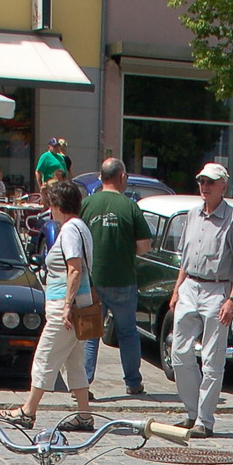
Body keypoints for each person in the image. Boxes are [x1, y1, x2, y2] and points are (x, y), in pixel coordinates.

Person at [0, 178, 94, 429]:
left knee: (44, 357)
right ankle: (84, 415)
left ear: (59, 205)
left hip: (67, 309)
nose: (49, 210)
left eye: (51, 205)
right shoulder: (82, 227)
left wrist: (66, 305)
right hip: (82, 307)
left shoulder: (70, 230)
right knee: (73, 361)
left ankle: (27, 411)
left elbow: (74, 268)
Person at [169, 162, 233, 437]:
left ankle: (205, 420)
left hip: (217, 290)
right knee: (179, 353)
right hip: (190, 286)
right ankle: (191, 412)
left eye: (210, 182)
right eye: (202, 181)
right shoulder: (192, 215)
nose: (205, 186)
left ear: (223, 187)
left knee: (211, 358)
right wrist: (177, 288)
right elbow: (185, 259)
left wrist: (231, 299)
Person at [80, 156, 152, 398]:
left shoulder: (87, 205)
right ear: (121, 177)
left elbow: (74, 240)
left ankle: (83, 384)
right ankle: (133, 382)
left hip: (92, 281)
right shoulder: (130, 206)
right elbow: (144, 245)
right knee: (127, 333)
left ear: (102, 178)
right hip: (122, 280)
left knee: (90, 335)